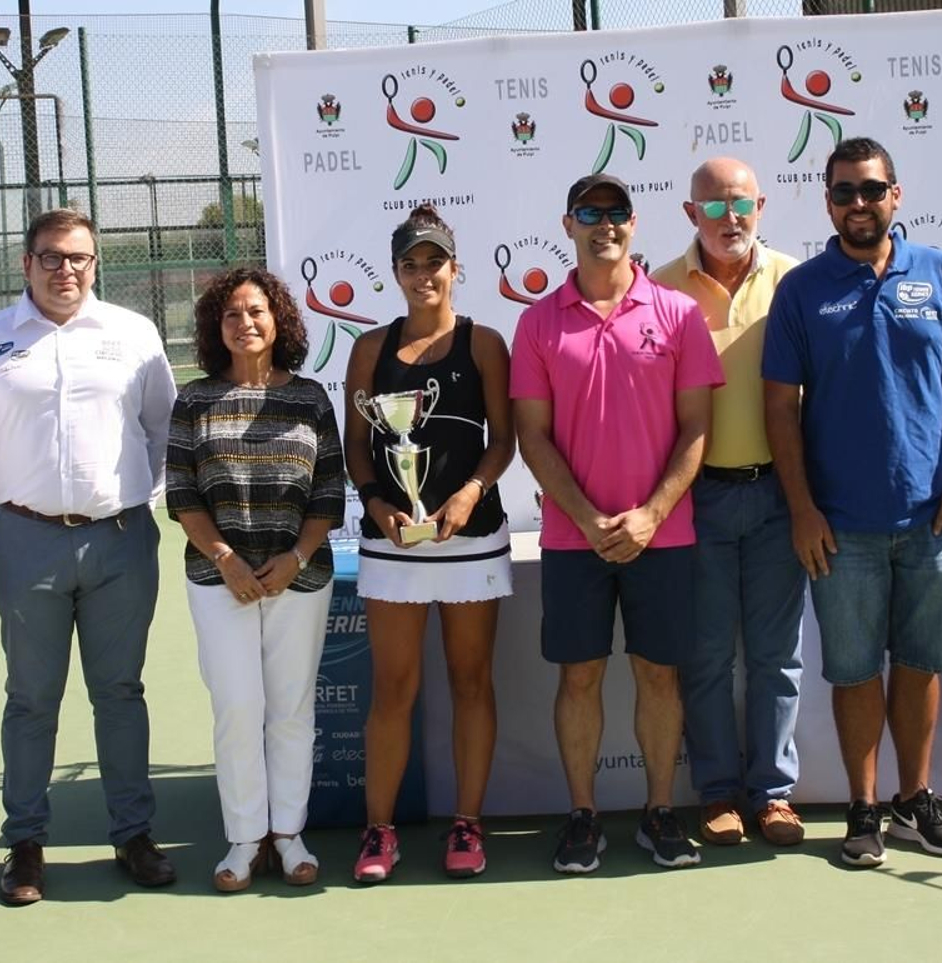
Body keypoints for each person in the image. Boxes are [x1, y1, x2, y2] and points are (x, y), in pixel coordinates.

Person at [762, 137, 942, 868]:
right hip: (841, 526)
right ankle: (863, 809)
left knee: (923, 665)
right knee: (855, 670)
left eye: (870, 190)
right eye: (843, 193)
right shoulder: (802, 289)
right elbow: (780, 408)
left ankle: (913, 799)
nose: (857, 204)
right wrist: (803, 508)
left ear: (896, 195)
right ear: (826, 201)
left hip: (932, 518)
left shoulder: (940, 272)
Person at [0, 208, 179, 903]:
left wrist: (121, 498)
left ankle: (133, 834)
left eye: (78, 257)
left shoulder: (133, 336)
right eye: (51, 257)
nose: (65, 270)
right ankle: (25, 843)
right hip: (27, 543)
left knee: (120, 693)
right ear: (26, 264)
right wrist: (20, 516)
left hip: (121, 539)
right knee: (30, 700)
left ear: (94, 263)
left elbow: (162, 429)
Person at [512, 173, 722, 873]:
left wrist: (651, 514)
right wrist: (592, 517)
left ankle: (660, 811)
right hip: (576, 538)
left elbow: (697, 428)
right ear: (567, 223)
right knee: (579, 678)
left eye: (617, 211)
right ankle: (582, 815)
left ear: (634, 223)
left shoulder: (677, 312)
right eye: (590, 212)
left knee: (660, 676)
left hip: (663, 536)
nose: (605, 223)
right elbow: (532, 437)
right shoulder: (538, 322)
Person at [344, 205, 515, 883]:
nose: (423, 275)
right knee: (393, 687)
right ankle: (378, 831)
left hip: (472, 537)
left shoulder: (484, 343)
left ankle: (467, 823)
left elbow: (503, 439)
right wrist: (380, 502)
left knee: (472, 680)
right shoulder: (368, 349)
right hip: (394, 542)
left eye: (434, 262)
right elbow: (360, 446)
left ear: (455, 267)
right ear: (395, 272)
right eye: (410, 264)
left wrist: (470, 491)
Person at [167, 267, 345, 892]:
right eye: (232, 314)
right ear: (218, 329)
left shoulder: (312, 398)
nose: (246, 323)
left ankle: (288, 834)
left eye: (257, 311)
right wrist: (226, 559)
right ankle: (244, 839)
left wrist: (296, 556)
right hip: (221, 581)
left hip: (299, 576)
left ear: (279, 322)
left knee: (291, 709)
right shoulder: (194, 400)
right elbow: (183, 493)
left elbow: (328, 491)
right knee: (238, 707)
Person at [650, 158, 808, 848]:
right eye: (712, 208)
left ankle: (773, 795)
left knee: (776, 655)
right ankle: (718, 793)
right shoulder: (657, 288)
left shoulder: (796, 282)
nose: (728, 219)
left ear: (761, 206)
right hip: (699, 499)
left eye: (739, 204)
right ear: (690, 215)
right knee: (709, 655)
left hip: (780, 493)